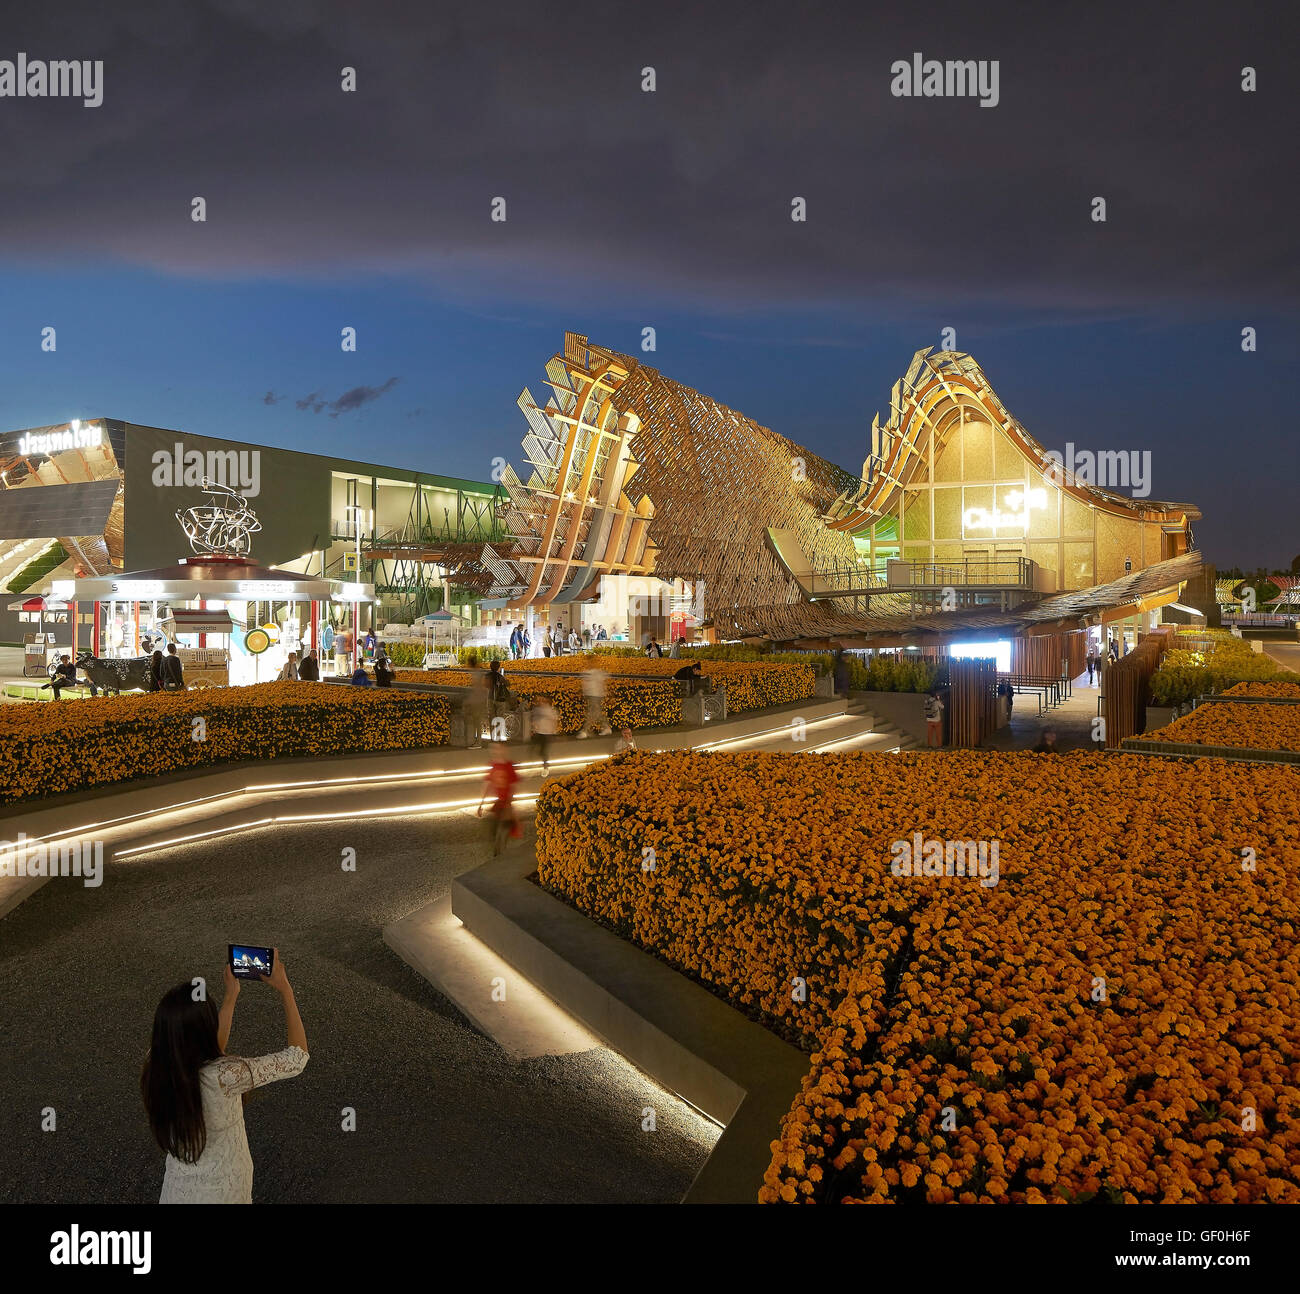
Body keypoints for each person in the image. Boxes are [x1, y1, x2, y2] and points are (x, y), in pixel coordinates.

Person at [143, 951, 308, 1204]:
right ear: (205, 1029)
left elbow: (206, 1050)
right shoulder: (227, 1075)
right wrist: (285, 989)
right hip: (224, 1192)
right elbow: (297, 1058)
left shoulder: (157, 1064)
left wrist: (231, 997)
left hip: (178, 1193)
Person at [477, 744, 520, 855]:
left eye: (499, 748)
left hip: (506, 804)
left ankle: (500, 853)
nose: (496, 751)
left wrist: (509, 803)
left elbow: (513, 787)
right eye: (494, 749)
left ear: (505, 750)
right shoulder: (493, 765)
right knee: (494, 830)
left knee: (503, 830)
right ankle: (498, 852)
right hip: (499, 804)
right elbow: (487, 785)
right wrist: (481, 804)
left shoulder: (509, 766)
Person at [579, 662, 611, 737]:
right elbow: (585, 684)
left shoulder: (597, 672)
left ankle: (585, 731)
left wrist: (605, 693)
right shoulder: (586, 672)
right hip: (591, 695)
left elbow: (603, 682)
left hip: (596, 695)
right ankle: (606, 728)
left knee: (593, 713)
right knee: (596, 713)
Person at [531, 693, 558, 773]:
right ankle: (540, 763)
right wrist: (533, 729)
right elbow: (534, 720)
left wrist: (553, 731)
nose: (541, 702)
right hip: (539, 732)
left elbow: (554, 720)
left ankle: (545, 767)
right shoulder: (538, 709)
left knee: (543, 750)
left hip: (547, 733)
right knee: (535, 748)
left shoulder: (551, 710)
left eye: (543, 700)